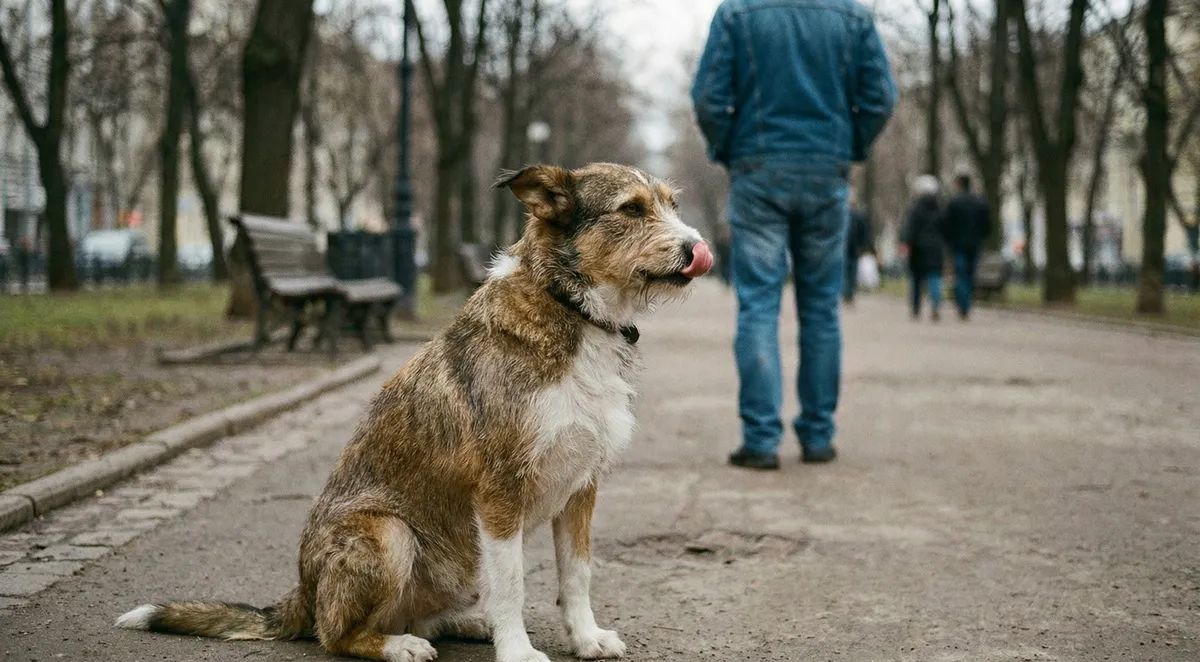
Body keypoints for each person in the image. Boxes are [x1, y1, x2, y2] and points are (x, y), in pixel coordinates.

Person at [691, 0, 897, 470]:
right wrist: (849, 146)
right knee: (821, 308)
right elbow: (881, 98)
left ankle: (761, 440)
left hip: (758, 169)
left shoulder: (737, 12)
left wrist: (729, 148)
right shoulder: (854, 16)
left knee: (758, 305)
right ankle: (818, 435)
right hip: (826, 171)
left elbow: (708, 99)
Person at [939, 172, 993, 319]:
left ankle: (963, 304)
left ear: (959, 184)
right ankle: (966, 302)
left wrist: (948, 241)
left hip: (958, 245)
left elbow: (946, 224)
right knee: (970, 273)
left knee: (961, 273)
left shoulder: (954, 203)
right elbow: (987, 224)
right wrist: (981, 237)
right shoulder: (980, 202)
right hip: (975, 244)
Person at [901, 175, 946, 322]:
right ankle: (935, 304)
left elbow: (909, 228)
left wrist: (905, 242)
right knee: (935, 277)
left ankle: (916, 307)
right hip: (936, 248)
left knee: (916, 279)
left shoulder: (915, 208)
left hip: (918, 247)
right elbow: (946, 228)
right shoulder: (941, 208)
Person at [844, 202, 873, 304]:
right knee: (851, 270)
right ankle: (848, 292)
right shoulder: (859, 216)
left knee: (848, 269)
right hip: (853, 246)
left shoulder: (848, 215)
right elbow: (865, 232)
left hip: (848, 246)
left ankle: (847, 292)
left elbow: (864, 232)